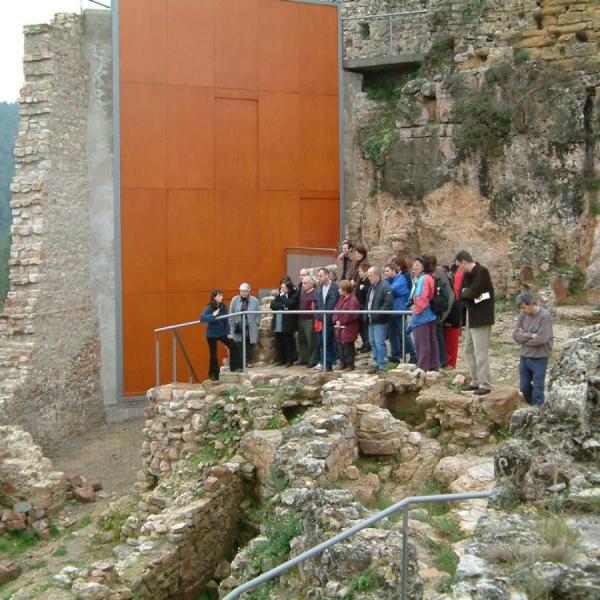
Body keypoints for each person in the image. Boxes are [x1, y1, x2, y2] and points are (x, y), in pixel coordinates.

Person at [455, 249, 495, 396]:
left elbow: (475, 292)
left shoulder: (482, 272)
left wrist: (468, 293)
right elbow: (462, 294)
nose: (459, 269)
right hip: (471, 315)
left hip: (482, 316)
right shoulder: (467, 275)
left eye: (459, 265)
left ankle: (485, 384)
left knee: (480, 351)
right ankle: (475, 381)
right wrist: (468, 293)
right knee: (468, 350)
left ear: (464, 262)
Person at [512, 291, 553, 406]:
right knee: (524, 388)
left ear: (531, 304)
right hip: (525, 356)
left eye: (524, 307)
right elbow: (515, 336)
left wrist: (523, 337)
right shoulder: (522, 315)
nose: (522, 311)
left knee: (538, 389)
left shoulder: (544, 316)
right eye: (521, 308)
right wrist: (530, 335)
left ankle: (538, 410)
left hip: (539, 356)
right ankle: (530, 408)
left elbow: (542, 338)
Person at [200, 289, 242, 381]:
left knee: (234, 346)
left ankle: (235, 368)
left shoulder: (223, 306)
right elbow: (202, 318)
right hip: (211, 334)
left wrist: (228, 333)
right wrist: (213, 315)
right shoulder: (210, 307)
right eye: (219, 296)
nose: (221, 297)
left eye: (221, 295)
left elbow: (226, 320)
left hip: (222, 332)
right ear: (214, 297)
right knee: (213, 354)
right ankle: (214, 375)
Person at [409, 256, 440, 372]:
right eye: (414, 265)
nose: (414, 267)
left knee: (422, 345)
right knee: (431, 342)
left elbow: (421, 298)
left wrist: (415, 312)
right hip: (430, 315)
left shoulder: (423, 279)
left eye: (417, 265)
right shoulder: (430, 277)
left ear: (423, 266)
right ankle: (433, 367)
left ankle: (423, 369)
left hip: (422, 317)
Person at [383, 263, 416, 363]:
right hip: (390, 311)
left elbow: (392, 290)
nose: (386, 273)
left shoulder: (401, 279)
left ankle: (414, 354)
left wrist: (386, 290)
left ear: (394, 271)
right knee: (392, 334)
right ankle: (395, 356)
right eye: (385, 271)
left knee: (405, 333)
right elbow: (385, 290)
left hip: (400, 311)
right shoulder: (386, 281)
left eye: (388, 271)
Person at [427, 255, 455, 368]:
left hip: (438, 310)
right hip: (439, 310)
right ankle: (439, 361)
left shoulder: (438, 273)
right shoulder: (437, 272)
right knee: (437, 337)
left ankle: (442, 362)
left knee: (438, 337)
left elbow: (448, 294)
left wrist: (443, 314)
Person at [366, 266, 393, 374]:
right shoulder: (372, 287)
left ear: (377, 275)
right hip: (371, 320)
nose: (369, 278)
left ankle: (382, 365)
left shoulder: (385, 287)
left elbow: (388, 304)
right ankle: (376, 362)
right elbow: (368, 302)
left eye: (371, 276)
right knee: (373, 342)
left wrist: (376, 315)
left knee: (379, 343)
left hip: (379, 321)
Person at [230, 283, 261, 367]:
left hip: (250, 325)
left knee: (249, 344)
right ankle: (241, 362)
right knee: (239, 344)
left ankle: (249, 361)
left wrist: (256, 323)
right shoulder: (235, 300)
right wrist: (232, 325)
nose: (242, 293)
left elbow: (259, 313)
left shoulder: (254, 300)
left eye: (244, 291)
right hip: (238, 325)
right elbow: (231, 313)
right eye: (241, 291)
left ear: (248, 291)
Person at [314, 267, 340, 371]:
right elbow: (316, 304)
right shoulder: (319, 289)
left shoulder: (335, 287)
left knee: (338, 342)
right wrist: (318, 316)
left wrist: (336, 316)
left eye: (320, 276)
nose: (319, 278)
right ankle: (327, 365)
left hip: (334, 319)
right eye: (318, 276)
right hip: (324, 320)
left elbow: (339, 303)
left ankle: (338, 362)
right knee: (326, 343)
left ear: (327, 275)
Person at [333, 280, 361, 371]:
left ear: (344, 289)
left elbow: (352, 314)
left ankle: (350, 364)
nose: (338, 290)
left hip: (349, 327)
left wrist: (341, 321)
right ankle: (342, 363)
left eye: (340, 289)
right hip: (340, 327)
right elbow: (336, 309)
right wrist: (336, 319)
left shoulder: (353, 300)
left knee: (348, 346)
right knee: (340, 345)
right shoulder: (341, 298)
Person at [270, 281, 298, 366]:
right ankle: (280, 360)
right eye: (281, 287)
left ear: (288, 288)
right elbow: (273, 305)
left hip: (288, 323)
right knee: (279, 342)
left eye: (283, 287)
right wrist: (282, 305)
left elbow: (290, 303)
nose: (281, 289)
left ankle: (289, 360)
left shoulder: (293, 295)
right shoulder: (279, 295)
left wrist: (283, 300)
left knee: (288, 341)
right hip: (278, 322)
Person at [443, 264, 464, 369]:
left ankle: (451, 365)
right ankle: (449, 365)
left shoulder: (451, 293)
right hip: (451, 319)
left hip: (453, 320)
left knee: (451, 346)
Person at [297, 275, 320, 368]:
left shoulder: (314, 293)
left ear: (311, 284)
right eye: (303, 283)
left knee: (311, 341)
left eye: (305, 283)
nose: (303, 285)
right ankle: (303, 358)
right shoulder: (302, 293)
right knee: (302, 340)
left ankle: (312, 360)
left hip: (309, 320)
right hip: (301, 319)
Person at [354, 262, 372, 353]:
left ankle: (367, 344)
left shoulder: (369, 282)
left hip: (364, 307)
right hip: (359, 308)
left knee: (365, 327)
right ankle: (364, 343)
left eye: (361, 271)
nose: (359, 273)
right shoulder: (360, 281)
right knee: (361, 327)